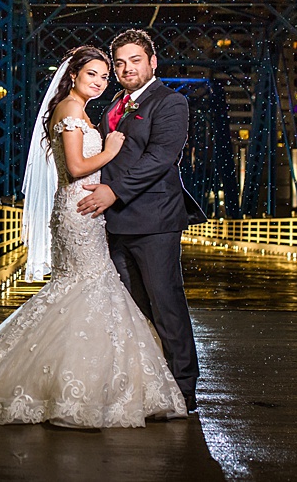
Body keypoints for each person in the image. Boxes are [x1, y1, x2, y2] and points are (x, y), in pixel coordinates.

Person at [0, 45, 187, 427]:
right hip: (80, 209)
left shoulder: (85, 111)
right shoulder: (72, 111)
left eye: (105, 76)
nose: (101, 80)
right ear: (73, 75)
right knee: (87, 287)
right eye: (93, 73)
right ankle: (74, 386)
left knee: (84, 290)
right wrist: (109, 151)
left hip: (90, 212)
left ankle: (90, 379)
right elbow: (77, 167)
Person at [76, 29, 206, 414]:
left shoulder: (171, 103)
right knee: (135, 308)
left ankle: (184, 387)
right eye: (120, 62)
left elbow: (161, 157)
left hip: (155, 220)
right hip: (115, 223)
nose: (126, 68)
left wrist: (114, 192)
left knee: (166, 303)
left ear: (152, 62)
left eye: (135, 60)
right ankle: (150, 382)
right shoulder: (117, 102)